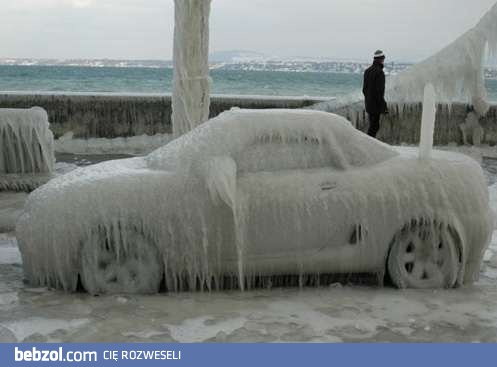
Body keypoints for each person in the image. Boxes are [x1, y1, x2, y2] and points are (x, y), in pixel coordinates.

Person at [363, 50, 388, 137]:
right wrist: (384, 106)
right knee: (374, 127)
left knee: (372, 125)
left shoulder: (367, 71)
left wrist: (368, 99)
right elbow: (379, 92)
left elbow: (364, 89)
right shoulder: (379, 72)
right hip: (376, 105)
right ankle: (368, 145)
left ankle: (368, 143)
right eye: (383, 58)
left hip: (368, 104)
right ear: (381, 59)